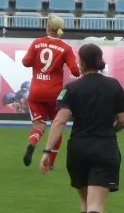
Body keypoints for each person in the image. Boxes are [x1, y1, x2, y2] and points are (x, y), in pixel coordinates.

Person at [39, 43, 124, 213]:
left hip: (78, 148)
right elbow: (123, 120)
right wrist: (110, 131)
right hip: (105, 147)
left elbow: (59, 121)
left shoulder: (72, 88)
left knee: (84, 201)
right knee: (96, 203)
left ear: (81, 62)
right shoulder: (114, 85)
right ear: (99, 60)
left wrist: (48, 151)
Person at [21, 14, 80, 167]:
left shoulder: (37, 43)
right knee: (57, 126)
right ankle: (50, 162)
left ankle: (32, 143)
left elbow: (26, 62)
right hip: (55, 94)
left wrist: (37, 63)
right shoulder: (66, 48)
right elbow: (75, 71)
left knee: (39, 127)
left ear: (47, 27)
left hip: (36, 92)